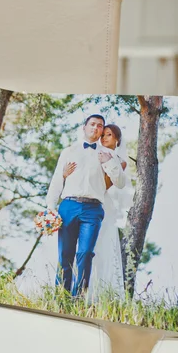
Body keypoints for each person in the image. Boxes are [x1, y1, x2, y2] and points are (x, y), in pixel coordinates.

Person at [45, 114, 126, 297]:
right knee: (65, 255)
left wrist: (109, 162)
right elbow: (57, 180)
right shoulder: (69, 151)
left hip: (93, 209)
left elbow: (120, 182)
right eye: (92, 124)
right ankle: (61, 296)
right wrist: (50, 207)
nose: (96, 128)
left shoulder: (108, 154)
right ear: (84, 127)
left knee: (86, 253)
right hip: (68, 206)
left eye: (100, 126)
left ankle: (78, 297)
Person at [85, 124, 132, 302]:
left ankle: (99, 294)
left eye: (109, 135)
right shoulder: (93, 153)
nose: (104, 138)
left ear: (117, 139)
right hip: (86, 203)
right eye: (103, 135)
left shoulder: (120, 160)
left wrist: (108, 161)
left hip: (104, 207)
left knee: (102, 246)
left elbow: (106, 185)